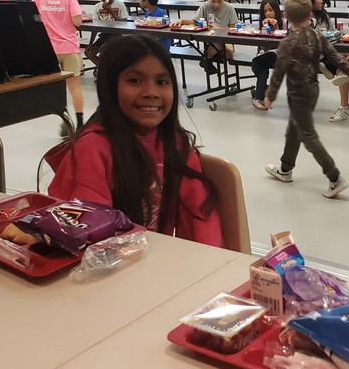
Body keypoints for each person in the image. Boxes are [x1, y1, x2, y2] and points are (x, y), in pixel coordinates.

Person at [47, 33, 223, 247]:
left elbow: (201, 219)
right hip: (106, 269)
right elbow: (88, 233)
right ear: (110, 88)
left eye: (162, 81)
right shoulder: (92, 149)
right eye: (134, 80)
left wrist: (208, 265)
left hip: (157, 267)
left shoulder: (176, 143)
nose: (151, 92)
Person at [263, 0, 349, 199]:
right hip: (313, 90)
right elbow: (337, 58)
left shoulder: (288, 43)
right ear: (310, 13)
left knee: (308, 136)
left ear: (285, 16)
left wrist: (270, 95)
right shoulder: (317, 35)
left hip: (298, 93)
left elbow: (278, 72)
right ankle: (285, 169)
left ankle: (334, 176)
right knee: (293, 130)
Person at [33, 0, 85, 133]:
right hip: (69, 47)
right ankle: (80, 123)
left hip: (48, 49)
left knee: (57, 88)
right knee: (74, 86)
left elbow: (33, 21)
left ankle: (65, 120)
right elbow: (77, 21)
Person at [171, 0, 238, 68]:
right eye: (213, 1)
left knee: (229, 52)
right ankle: (207, 60)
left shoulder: (230, 8)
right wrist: (182, 20)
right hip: (210, 41)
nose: (216, 5)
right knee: (216, 45)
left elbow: (233, 28)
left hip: (226, 39)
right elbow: (194, 21)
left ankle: (207, 60)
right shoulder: (205, 6)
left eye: (219, 1)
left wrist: (220, 29)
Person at [250, 0, 283, 111]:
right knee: (260, 64)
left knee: (259, 62)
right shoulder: (263, 24)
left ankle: (258, 96)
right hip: (265, 54)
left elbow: (284, 43)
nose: (268, 14)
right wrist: (263, 31)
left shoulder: (283, 21)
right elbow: (262, 46)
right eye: (265, 11)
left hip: (279, 54)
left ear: (276, 11)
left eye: (270, 10)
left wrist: (276, 28)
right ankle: (260, 95)